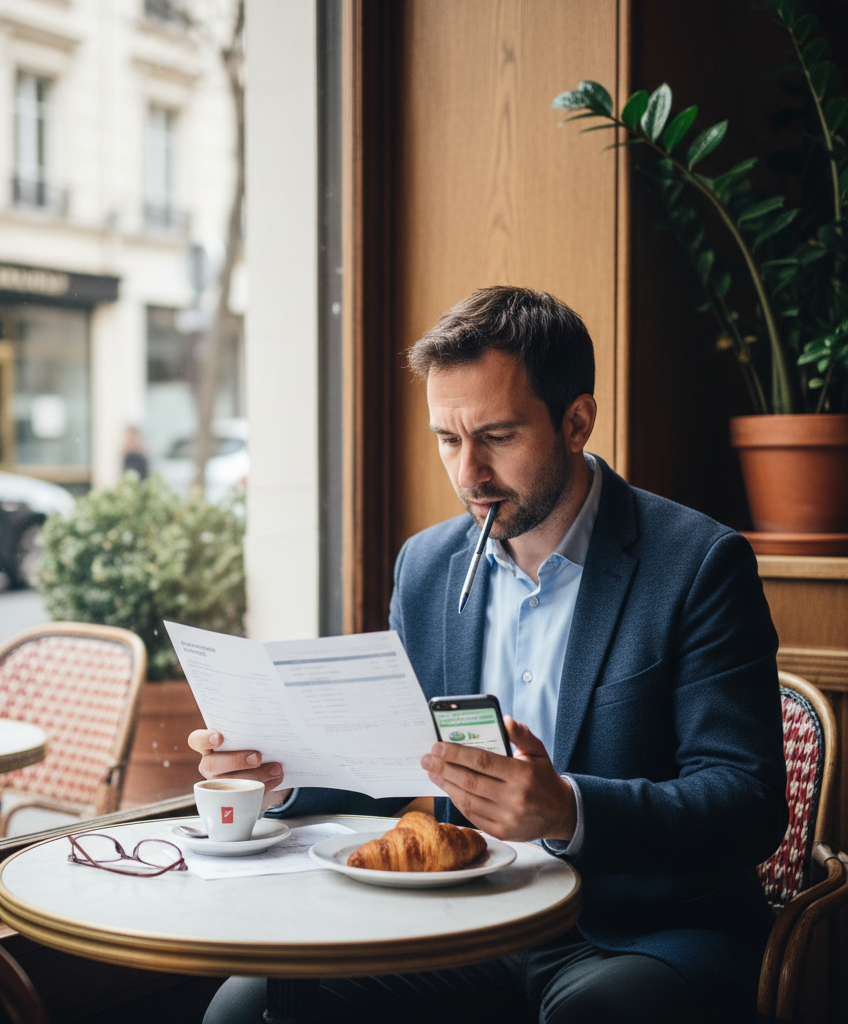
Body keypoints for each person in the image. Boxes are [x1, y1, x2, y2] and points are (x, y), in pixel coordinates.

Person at [189, 287, 788, 1024]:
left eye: (497, 436)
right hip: (467, 911)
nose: (468, 473)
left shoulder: (698, 564)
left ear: (576, 422)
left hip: (640, 932)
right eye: (448, 438)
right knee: (246, 1007)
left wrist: (569, 809)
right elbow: (390, 763)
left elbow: (748, 802)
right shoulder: (426, 566)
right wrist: (274, 773)